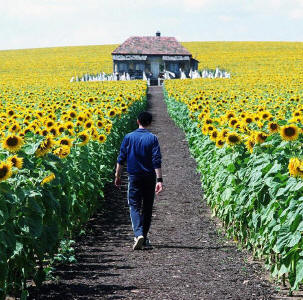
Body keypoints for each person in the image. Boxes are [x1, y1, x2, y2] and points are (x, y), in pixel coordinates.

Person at [115, 111, 163, 250]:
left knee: (134, 205)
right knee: (147, 207)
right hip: (149, 177)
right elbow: (156, 160)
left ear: (137, 121)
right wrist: (159, 179)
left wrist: (117, 176)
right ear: (150, 123)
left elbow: (121, 159)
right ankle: (144, 237)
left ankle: (138, 234)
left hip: (134, 176)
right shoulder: (153, 138)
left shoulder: (129, 137)